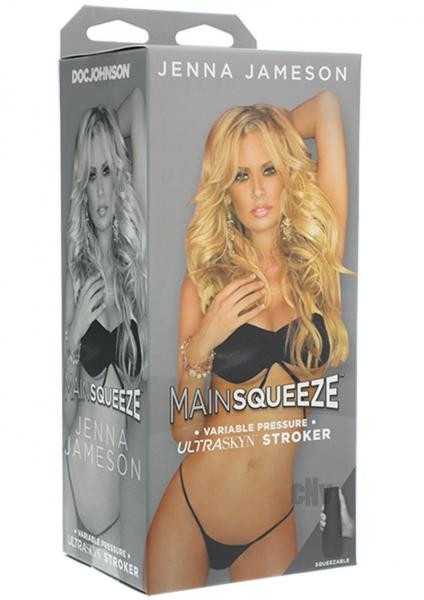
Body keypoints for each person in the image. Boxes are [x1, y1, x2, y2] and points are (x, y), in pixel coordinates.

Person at [144, 91, 350, 592]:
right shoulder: (203, 285)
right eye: (240, 175)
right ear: (226, 190)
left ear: (286, 175)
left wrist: (270, 127)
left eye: (269, 169)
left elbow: (325, 107)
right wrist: (202, 345)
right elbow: (185, 434)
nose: (258, 190)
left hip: (270, 524)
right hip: (191, 513)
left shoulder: (319, 264)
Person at [63, 88, 146, 555]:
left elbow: (138, 105)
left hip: (110, 514)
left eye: (107, 173)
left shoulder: (133, 276)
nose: (99, 190)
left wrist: (99, 139)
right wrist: (73, 335)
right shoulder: (75, 278)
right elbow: (62, 416)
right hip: (68, 486)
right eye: (90, 176)